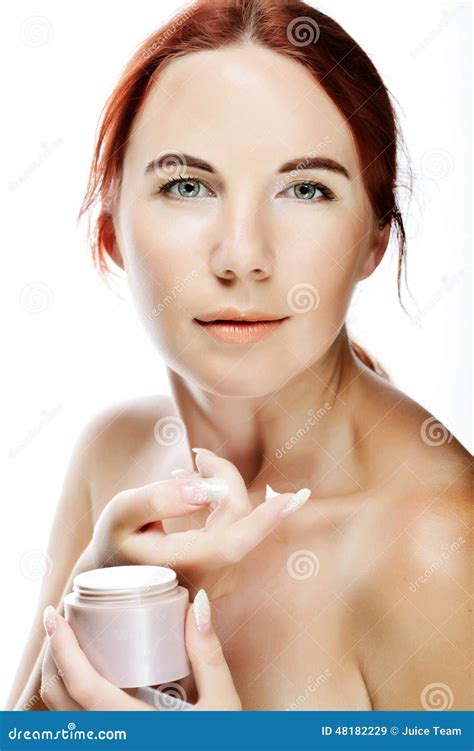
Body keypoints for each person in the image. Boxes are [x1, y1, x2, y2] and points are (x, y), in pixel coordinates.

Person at [7, 0, 471, 712]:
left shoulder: (436, 544)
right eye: (187, 186)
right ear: (111, 234)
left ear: (377, 237)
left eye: (306, 188)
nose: (243, 257)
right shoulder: (114, 459)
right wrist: (88, 600)